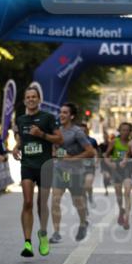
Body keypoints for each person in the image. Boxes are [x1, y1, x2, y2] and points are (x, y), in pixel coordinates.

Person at [12, 87, 62, 257]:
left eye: (34, 97)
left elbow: (59, 139)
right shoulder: (21, 119)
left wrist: (41, 134)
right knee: (27, 202)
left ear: (39, 99)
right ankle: (27, 243)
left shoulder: (48, 118)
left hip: (45, 165)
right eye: (28, 97)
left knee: (42, 203)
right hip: (27, 164)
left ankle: (43, 234)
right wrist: (16, 147)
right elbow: (21, 137)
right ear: (25, 100)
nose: (31, 99)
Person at [50, 103, 96, 243]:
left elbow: (90, 152)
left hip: (75, 172)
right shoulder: (57, 131)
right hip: (60, 170)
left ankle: (83, 223)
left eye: (65, 113)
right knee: (55, 200)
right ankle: (56, 233)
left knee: (78, 202)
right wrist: (54, 153)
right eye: (61, 112)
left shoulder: (78, 132)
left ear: (72, 116)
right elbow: (54, 148)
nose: (61, 115)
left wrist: (73, 158)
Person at [80, 121, 98, 206]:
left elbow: (96, 152)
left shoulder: (92, 141)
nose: (82, 133)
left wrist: (97, 162)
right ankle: (85, 206)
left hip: (90, 166)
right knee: (82, 188)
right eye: (80, 131)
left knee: (87, 184)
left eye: (84, 131)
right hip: (78, 167)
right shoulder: (75, 141)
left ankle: (90, 196)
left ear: (87, 131)